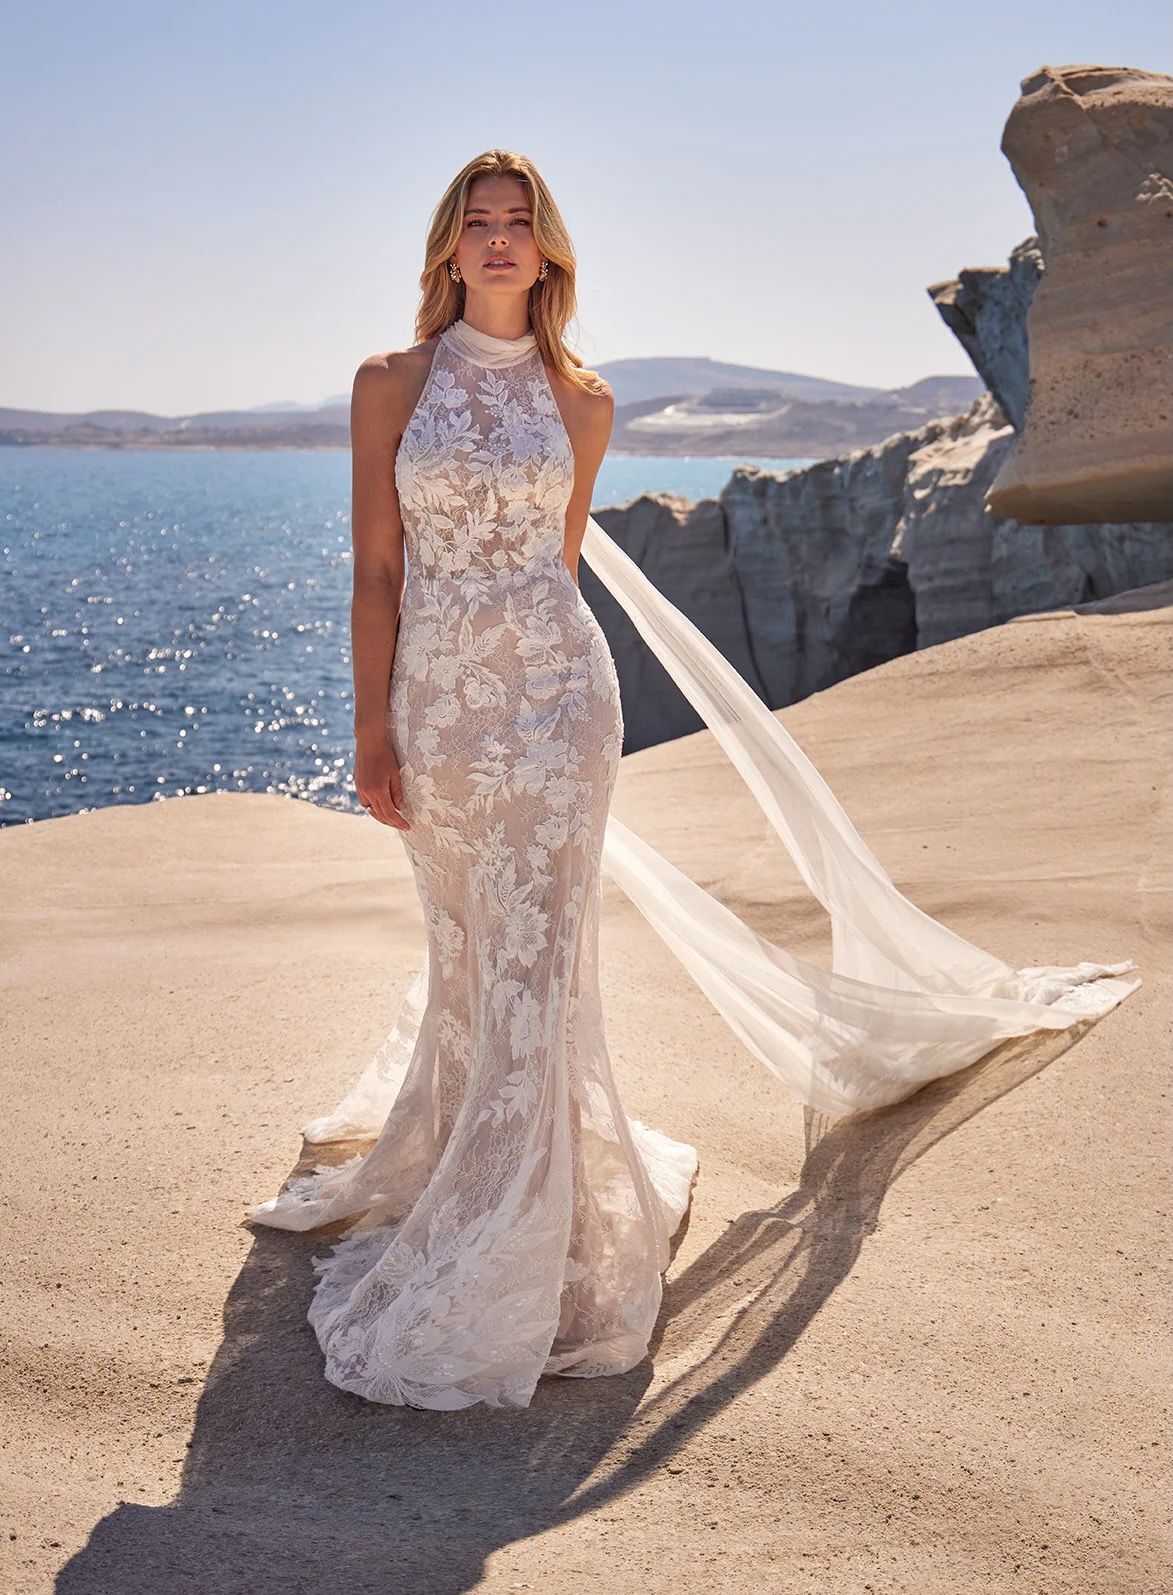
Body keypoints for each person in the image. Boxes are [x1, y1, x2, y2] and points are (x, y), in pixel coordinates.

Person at [245, 150, 1141, 1412]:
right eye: (476, 224)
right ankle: (460, 1161)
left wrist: (521, 691)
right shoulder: (389, 384)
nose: (499, 242)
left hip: (558, 710)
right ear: (449, 250)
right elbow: (379, 574)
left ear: (547, 251)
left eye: (520, 224)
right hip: (440, 715)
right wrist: (373, 732)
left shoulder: (582, 400)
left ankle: (528, 1235)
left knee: (541, 965)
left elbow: (554, 576)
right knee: (467, 948)